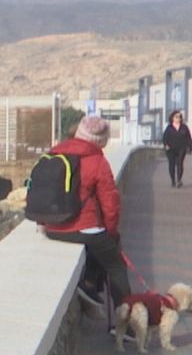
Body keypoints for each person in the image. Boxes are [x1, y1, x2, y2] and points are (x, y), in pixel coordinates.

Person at [43, 115, 130, 305]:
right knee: (116, 264)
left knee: (100, 245)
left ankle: (90, 286)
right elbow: (111, 204)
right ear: (100, 141)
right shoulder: (97, 161)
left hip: (51, 227)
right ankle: (127, 323)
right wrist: (112, 232)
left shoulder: (56, 152)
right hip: (80, 226)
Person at [161, 109, 192, 187]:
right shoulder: (169, 128)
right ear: (172, 118)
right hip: (171, 149)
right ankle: (173, 180)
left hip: (181, 148)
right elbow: (164, 138)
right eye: (176, 117)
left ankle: (179, 180)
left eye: (179, 117)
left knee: (180, 163)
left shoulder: (184, 127)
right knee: (171, 165)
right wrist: (166, 145)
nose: (178, 118)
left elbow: (188, 138)